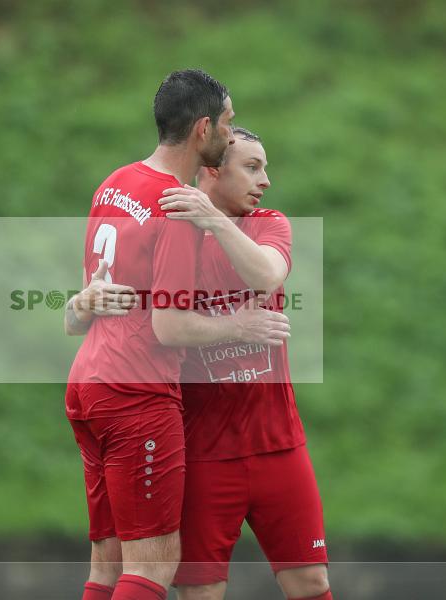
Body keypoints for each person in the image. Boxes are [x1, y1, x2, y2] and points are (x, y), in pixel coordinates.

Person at [75, 127, 333, 600]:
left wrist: (214, 220)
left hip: (278, 445)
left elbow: (267, 274)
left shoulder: (269, 224)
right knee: (201, 591)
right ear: (212, 169)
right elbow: (134, 319)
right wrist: (82, 304)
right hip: (203, 454)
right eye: (252, 167)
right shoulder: (172, 234)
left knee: (312, 583)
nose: (266, 180)